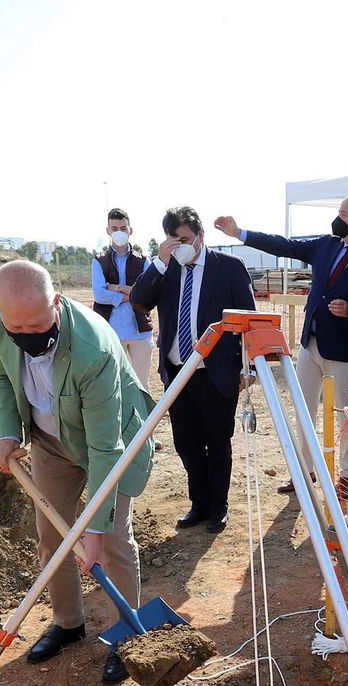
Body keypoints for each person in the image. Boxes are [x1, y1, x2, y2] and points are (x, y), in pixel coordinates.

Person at [0, 260, 155, 682]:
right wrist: (9, 433)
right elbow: (1, 376)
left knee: (112, 542)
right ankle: (68, 622)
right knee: (52, 537)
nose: (26, 336)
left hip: (107, 441)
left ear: (56, 304)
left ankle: (129, 636)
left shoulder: (92, 349)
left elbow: (105, 449)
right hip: (48, 442)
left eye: (37, 325)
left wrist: (93, 530)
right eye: (16, 329)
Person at [214, 187, 348, 495]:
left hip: (344, 350)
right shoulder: (326, 245)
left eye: (343, 215)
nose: (337, 220)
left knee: (347, 414)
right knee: (303, 408)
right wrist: (240, 233)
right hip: (310, 343)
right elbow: (284, 246)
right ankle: (304, 472)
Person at [130, 206, 256, 534]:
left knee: (217, 442)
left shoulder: (227, 267)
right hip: (176, 372)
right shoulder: (167, 269)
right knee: (186, 442)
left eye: (184, 239)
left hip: (215, 372)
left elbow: (250, 320)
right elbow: (139, 300)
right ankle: (198, 503)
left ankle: (219, 507)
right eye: (173, 239)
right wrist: (159, 261)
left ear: (200, 236)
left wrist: (250, 365)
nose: (179, 245)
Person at [90, 208, 155, 391]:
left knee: (142, 385)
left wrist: (115, 287)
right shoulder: (99, 261)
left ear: (130, 230)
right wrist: (130, 292)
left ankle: (144, 420)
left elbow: (147, 294)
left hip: (140, 331)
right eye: (115, 228)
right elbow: (99, 295)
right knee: (113, 386)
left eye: (123, 228)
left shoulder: (143, 260)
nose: (119, 232)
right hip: (110, 332)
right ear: (108, 231)